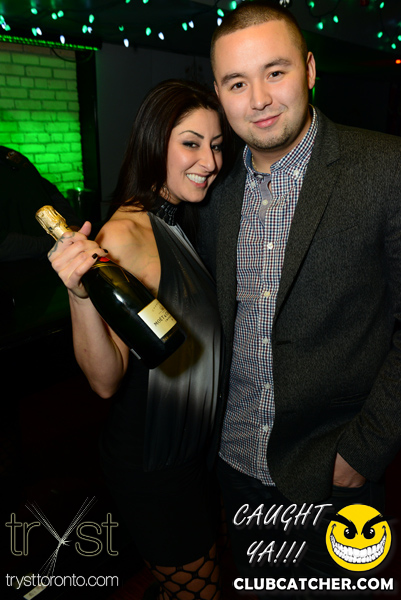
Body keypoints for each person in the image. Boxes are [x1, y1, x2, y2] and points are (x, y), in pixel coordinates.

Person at [197, 0, 401, 591]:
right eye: (238, 82)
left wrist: (365, 450)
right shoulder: (213, 187)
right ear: (219, 93)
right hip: (236, 466)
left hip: (337, 477)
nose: (259, 98)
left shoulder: (385, 168)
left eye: (275, 72)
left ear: (309, 70)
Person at [47, 79, 233, 600]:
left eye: (217, 145)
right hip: (156, 461)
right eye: (191, 143)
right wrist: (80, 296)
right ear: (154, 143)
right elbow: (105, 381)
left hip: (196, 450)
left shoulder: (180, 220)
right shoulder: (122, 235)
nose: (210, 161)